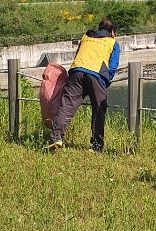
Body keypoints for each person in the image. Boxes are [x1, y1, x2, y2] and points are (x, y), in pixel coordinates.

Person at [47, 18, 120, 152]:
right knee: (99, 109)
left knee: (67, 106)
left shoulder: (86, 37)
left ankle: (55, 137)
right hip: (96, 75)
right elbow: (113, 66)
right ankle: (97, 145)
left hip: (76, 72)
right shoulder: (113, 42)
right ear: (113, 32)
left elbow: (78, 54)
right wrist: (105, 81)